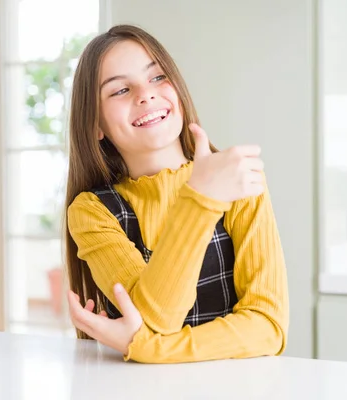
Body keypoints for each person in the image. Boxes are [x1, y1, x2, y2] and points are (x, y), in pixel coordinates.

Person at [64, 24, 289, 364]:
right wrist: (200, 200)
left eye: (157, 78)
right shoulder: (92, 212)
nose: (145, 94)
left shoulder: (238, 179)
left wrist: (149, 348)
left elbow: (268, 327)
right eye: (120, 90)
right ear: (95, 124)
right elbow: (156, 318)